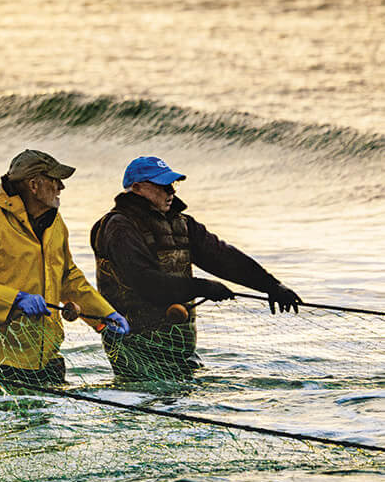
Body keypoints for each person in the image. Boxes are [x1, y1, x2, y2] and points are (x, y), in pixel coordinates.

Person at [91, 155, 304, 382]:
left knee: (180, 404)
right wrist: (202, 287)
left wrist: (271, 286)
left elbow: (223, 257)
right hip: (133, 341)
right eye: (163, 186)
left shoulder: (182, 223)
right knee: (151, 405)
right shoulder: (118, 227)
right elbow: (145, 282)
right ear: (137, 188)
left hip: (178, 341)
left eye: (173, 184)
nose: (171, 191)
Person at [0, 150, 129, 387]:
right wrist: (15, 299)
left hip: (47, 358)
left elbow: (68, 278)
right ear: (34, 184)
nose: (61, 187)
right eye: (54, 180)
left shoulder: (55, 223)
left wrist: (104, 315)